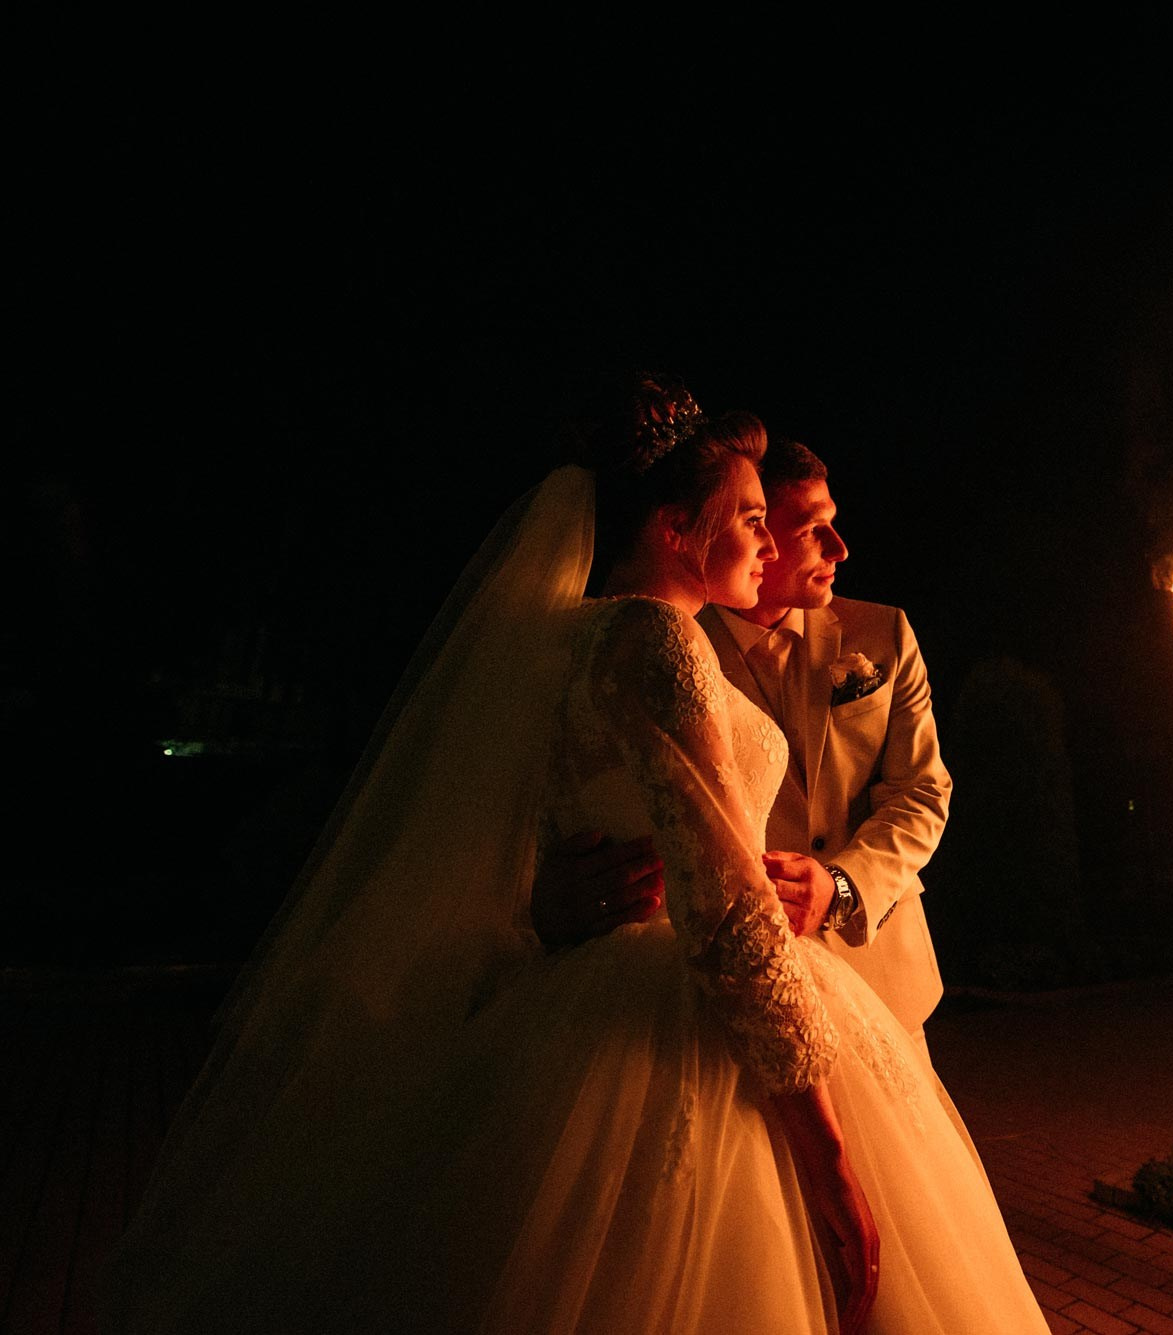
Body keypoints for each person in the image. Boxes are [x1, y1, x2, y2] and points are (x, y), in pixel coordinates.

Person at [103, 377, 1047, 1334]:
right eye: (753, 518)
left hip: (609, 1000)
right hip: (700, 1014)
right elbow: (725, 917)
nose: (770, 541)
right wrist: (833, 1162)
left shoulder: (564, 636)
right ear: (679, 530)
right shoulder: (657, 639)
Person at [537, 439, 951, 1055]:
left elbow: (923, 791)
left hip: (880, 980)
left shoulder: (882, 631)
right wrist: (555, 890)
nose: (840, 549)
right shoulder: (663, 640)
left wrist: (840, 887)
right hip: (722, 992)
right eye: (811, 531)